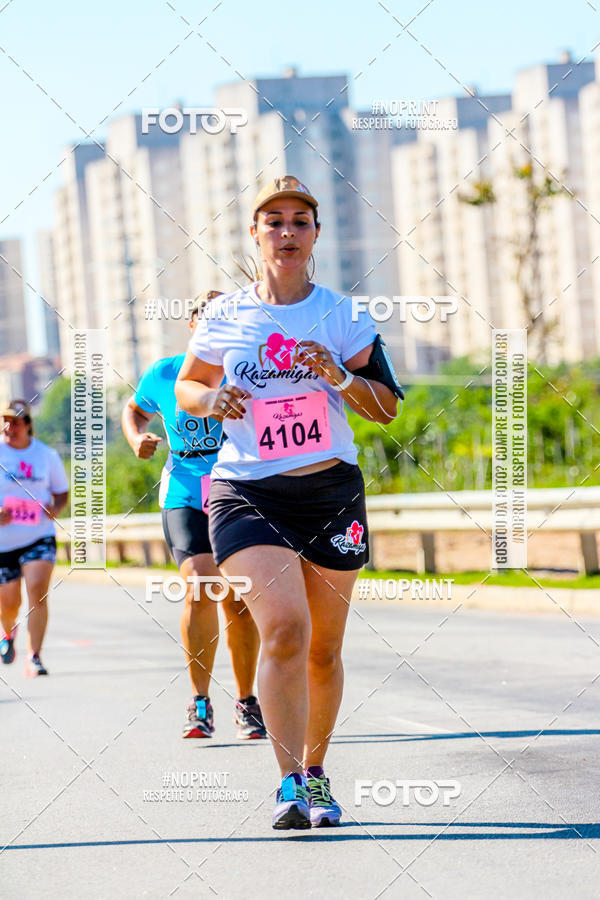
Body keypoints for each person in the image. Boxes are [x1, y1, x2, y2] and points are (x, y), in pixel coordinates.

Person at [175, 176, 403, 829]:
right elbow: (190, 385)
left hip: (330, 491)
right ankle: (289, 784)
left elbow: (385, 407)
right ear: (256, 233)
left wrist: (337, 375)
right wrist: (210, 400)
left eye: (299, 220)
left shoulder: (342, 315)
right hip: (248, 490)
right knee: (284, 627)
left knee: (323, 650)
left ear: (315, 235)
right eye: (273, 220)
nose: (286, 231)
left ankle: (318, 772)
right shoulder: (226, 316)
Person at [121, 294, 266, 740]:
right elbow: (134, 410)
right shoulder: (166, 372)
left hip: (239, 484)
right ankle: (200, 701)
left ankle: (246, 701)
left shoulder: (252, 369)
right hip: (185, 484)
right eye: (207, 320)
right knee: (200, 586)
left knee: (238, 600)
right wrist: (136, 437)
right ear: (192, 326)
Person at [0, 399, 69, 676]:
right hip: (3, 542)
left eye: (15, 421)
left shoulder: (46, 455)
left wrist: (56, 508)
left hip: (38, 535)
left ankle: (35, 656)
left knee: (37, 590)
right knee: (8, 602)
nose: (8, 426)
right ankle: (8, 632)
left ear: (28, 426)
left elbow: (61, 492)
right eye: (4, 420)